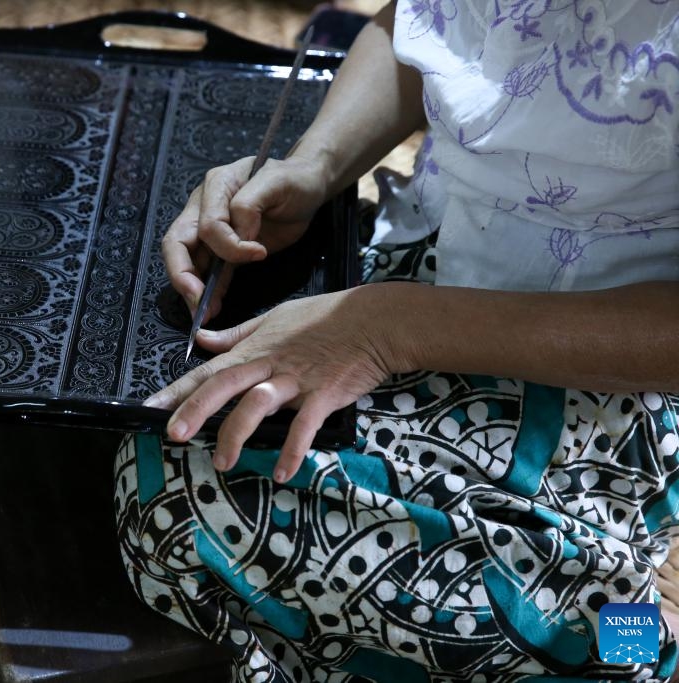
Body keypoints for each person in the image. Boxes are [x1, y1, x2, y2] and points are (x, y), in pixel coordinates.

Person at [114, 1, 679, 681]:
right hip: (418, 254)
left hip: (606, 368)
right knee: (164, 431)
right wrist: (316, 166)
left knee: (180, 500)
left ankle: (646, 644)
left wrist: (389, 328)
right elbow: (418, 27)